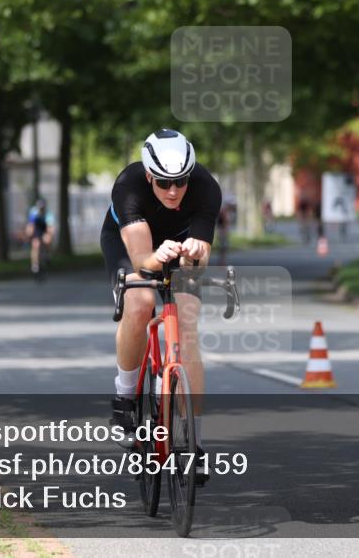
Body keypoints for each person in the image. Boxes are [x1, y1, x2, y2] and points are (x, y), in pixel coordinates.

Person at [100, 128, 221, 481]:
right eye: (164, 182)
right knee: (140, 301)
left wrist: (196, 255)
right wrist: (156, 257)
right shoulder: (129, 185)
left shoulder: (206, 187)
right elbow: (141, 260)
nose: (172, 190)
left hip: (179, 244)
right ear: (150, 175)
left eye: (180, 182)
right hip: (131, 245)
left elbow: (202, 259)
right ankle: (125, 398)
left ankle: (194, 442)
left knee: (187, 323)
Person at [25, 198, 54, 275]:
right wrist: (28, 234)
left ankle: (47, 255)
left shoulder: (48, 214)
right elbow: (30, 225)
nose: (41, 209)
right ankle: (35, 264)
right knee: (35, 245)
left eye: (42, 208)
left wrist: (49, 235)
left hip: (44, 228)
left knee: (47, 240)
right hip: (37, 229)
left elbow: (50, 227)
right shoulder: (34, 212)